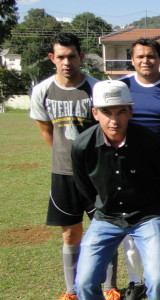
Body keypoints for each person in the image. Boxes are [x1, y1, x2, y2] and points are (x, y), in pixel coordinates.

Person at [29, 32, 120, 300]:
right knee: (70, 233)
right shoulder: (42, 90)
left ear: (81, 57)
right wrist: (66, 159)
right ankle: (71, 290)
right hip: (63, 175)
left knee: (105, 229)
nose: (66, 62)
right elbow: (46, 131)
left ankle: (109, 287)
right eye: (60, 57)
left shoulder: (96, 88)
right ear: (52, 59)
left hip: (96, 174)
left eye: (71, 56)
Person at [71, 80, 160, 299]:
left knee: (157, 280)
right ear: (95, 113)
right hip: (106, 217)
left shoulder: (152, 143)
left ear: (131, 112)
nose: (114, 120)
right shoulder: (82, 145)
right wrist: (101, 206)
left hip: (147, 217)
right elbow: (84, 186)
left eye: (121, 112)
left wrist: (150, 205)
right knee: (84, 282)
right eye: (106, 112)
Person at [119, 37, 160, 300]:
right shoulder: (121, 86)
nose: (146, 60)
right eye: (140, 56)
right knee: (131, 230)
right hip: (130, 173)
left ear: (159, 59)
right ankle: (136, 282)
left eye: (151, 56)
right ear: (132, 59)